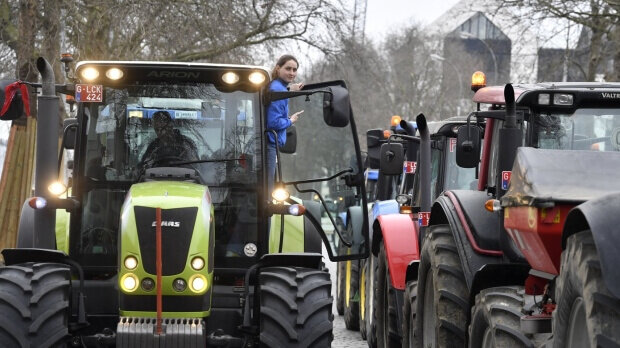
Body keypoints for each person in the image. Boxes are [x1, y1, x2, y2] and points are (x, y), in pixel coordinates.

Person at [266, 54, 304, 196]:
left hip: (270, 146)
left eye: (295, 70)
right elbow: (273, 122)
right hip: (269, 145)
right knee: (268, 193)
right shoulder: (278, 91)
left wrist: (289, 90)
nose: (292, 73)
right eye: (288, 69)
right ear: (278, 68)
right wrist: (290, 121)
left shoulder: (278, 88)